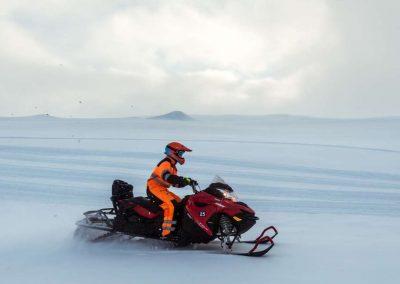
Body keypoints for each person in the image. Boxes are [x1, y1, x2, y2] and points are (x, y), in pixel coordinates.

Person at [147, 142, 197, 237]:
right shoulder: (166, 163)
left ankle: (179, 228)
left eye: (182, 154)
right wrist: (182, 180)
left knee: (180, 203)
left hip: (162, 189)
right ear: (172, 153)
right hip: (153, 188)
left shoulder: (173, 166)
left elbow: (175, 183)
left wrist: (187, 182)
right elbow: (167, 177)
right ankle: (166, 233)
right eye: (181, 153)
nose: (182, 156)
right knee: (170, 205)